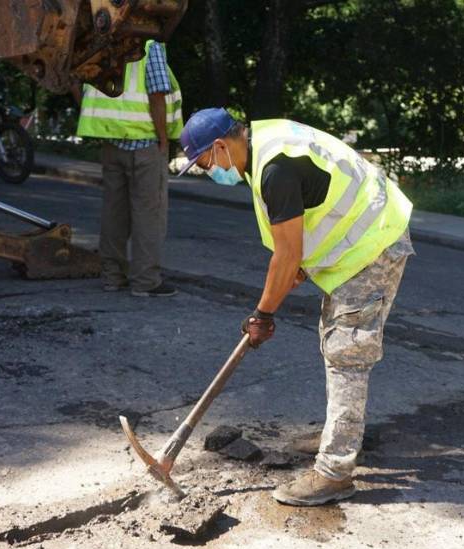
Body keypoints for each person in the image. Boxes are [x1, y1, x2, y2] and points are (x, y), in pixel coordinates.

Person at [177, 109, 415, 506]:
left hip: (374, 241)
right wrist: (292, 269)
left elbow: (287, 254)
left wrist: (263, 314)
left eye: (202, 163)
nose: (206, 171)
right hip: (364, 236)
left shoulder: (274, 168)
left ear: (219, 147)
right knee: (337, 343)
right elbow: (299, 229)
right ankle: (338, 437)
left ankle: (334, 473)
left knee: (347, 351)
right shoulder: (263, 142)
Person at [76, 41, 183, 297]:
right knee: (148, 215)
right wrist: (164, 139)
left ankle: (112, 277)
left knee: (114, 212)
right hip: (145, 144)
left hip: (111, 144)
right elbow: (157, 92)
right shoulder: (149, 45)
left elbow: (76, 81)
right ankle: (145, 281)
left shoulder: (101, 41)